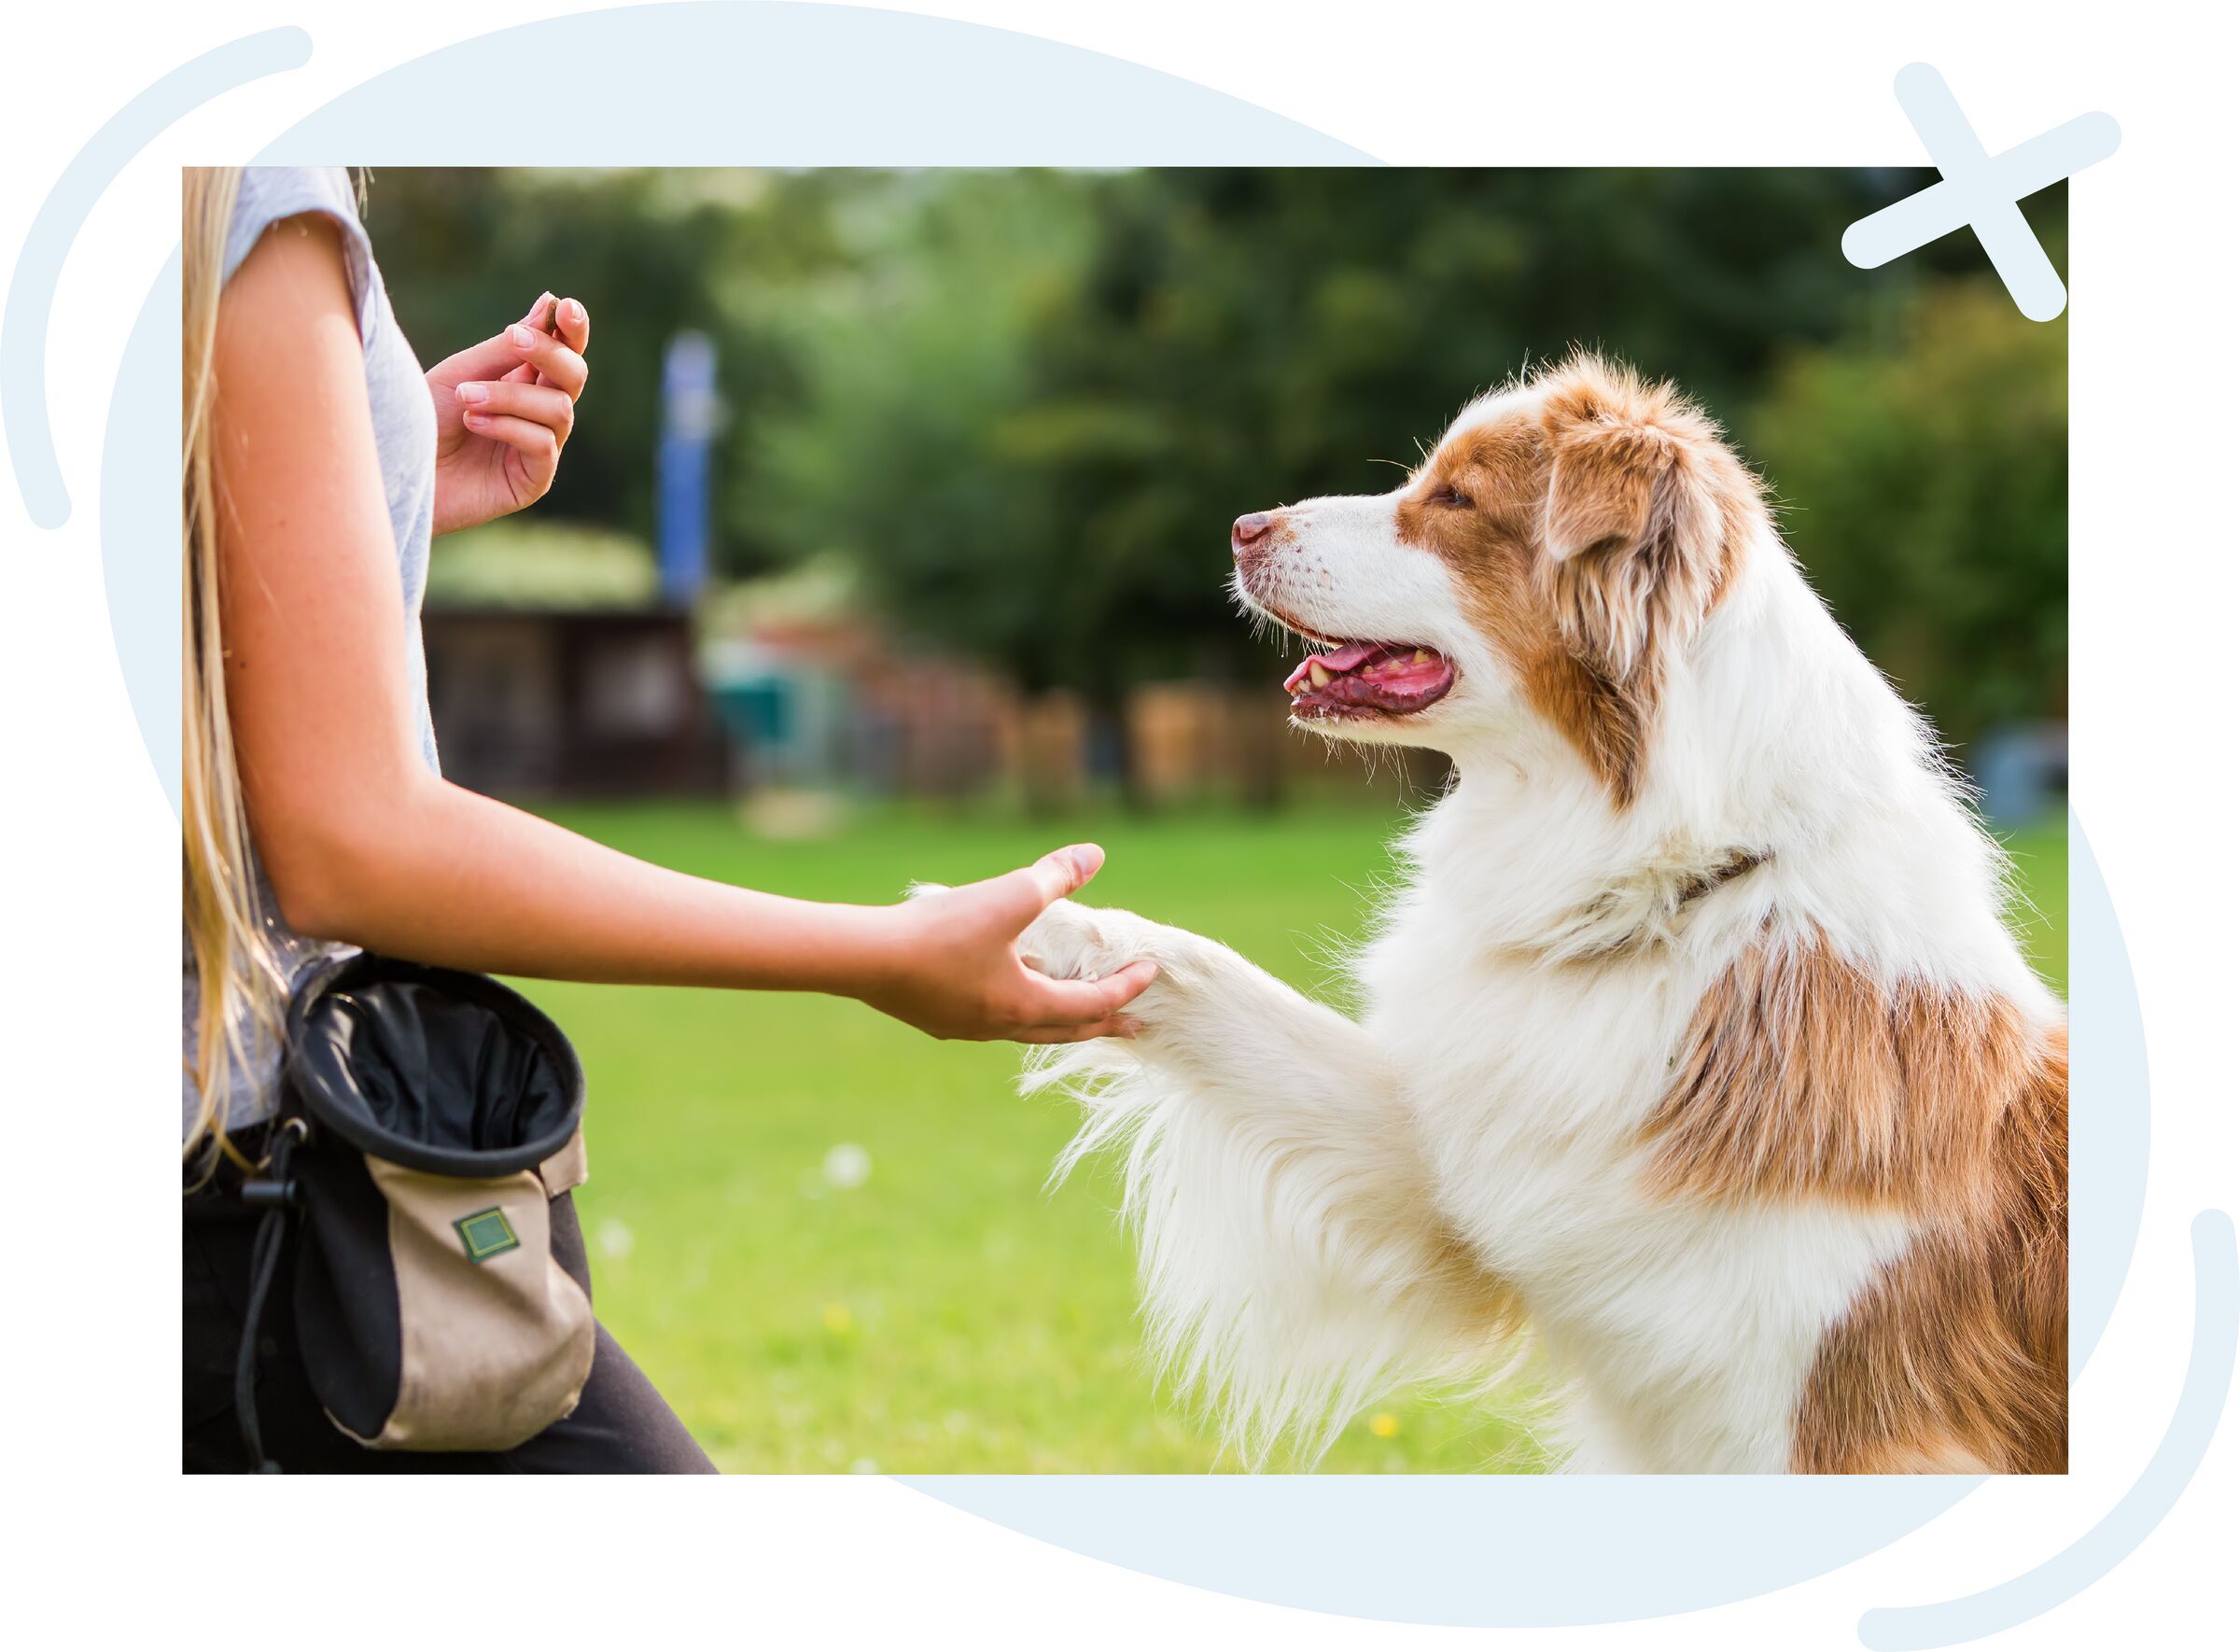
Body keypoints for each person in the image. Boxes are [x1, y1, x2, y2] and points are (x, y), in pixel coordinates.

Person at [181, 166, 1155, 1473]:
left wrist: (371, 480)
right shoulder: (239, 179)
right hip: (238, 1202)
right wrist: (875, 952)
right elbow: (352, 838)